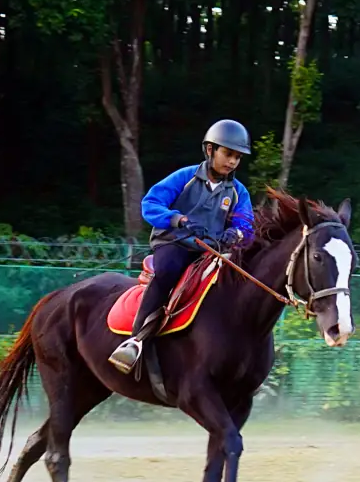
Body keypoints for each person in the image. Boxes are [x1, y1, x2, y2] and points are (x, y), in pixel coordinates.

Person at [108, 119, 257, 374]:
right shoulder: (184, 177)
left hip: (211, 252)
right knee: (167, 272)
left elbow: (247, 224)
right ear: (209, 150)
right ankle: (135, 341)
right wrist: (178, 219)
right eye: (228, 154)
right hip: (174, 244)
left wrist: (236, 232)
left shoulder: (238, 192)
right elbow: (150, 204)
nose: (232, 161)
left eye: (238, 157)